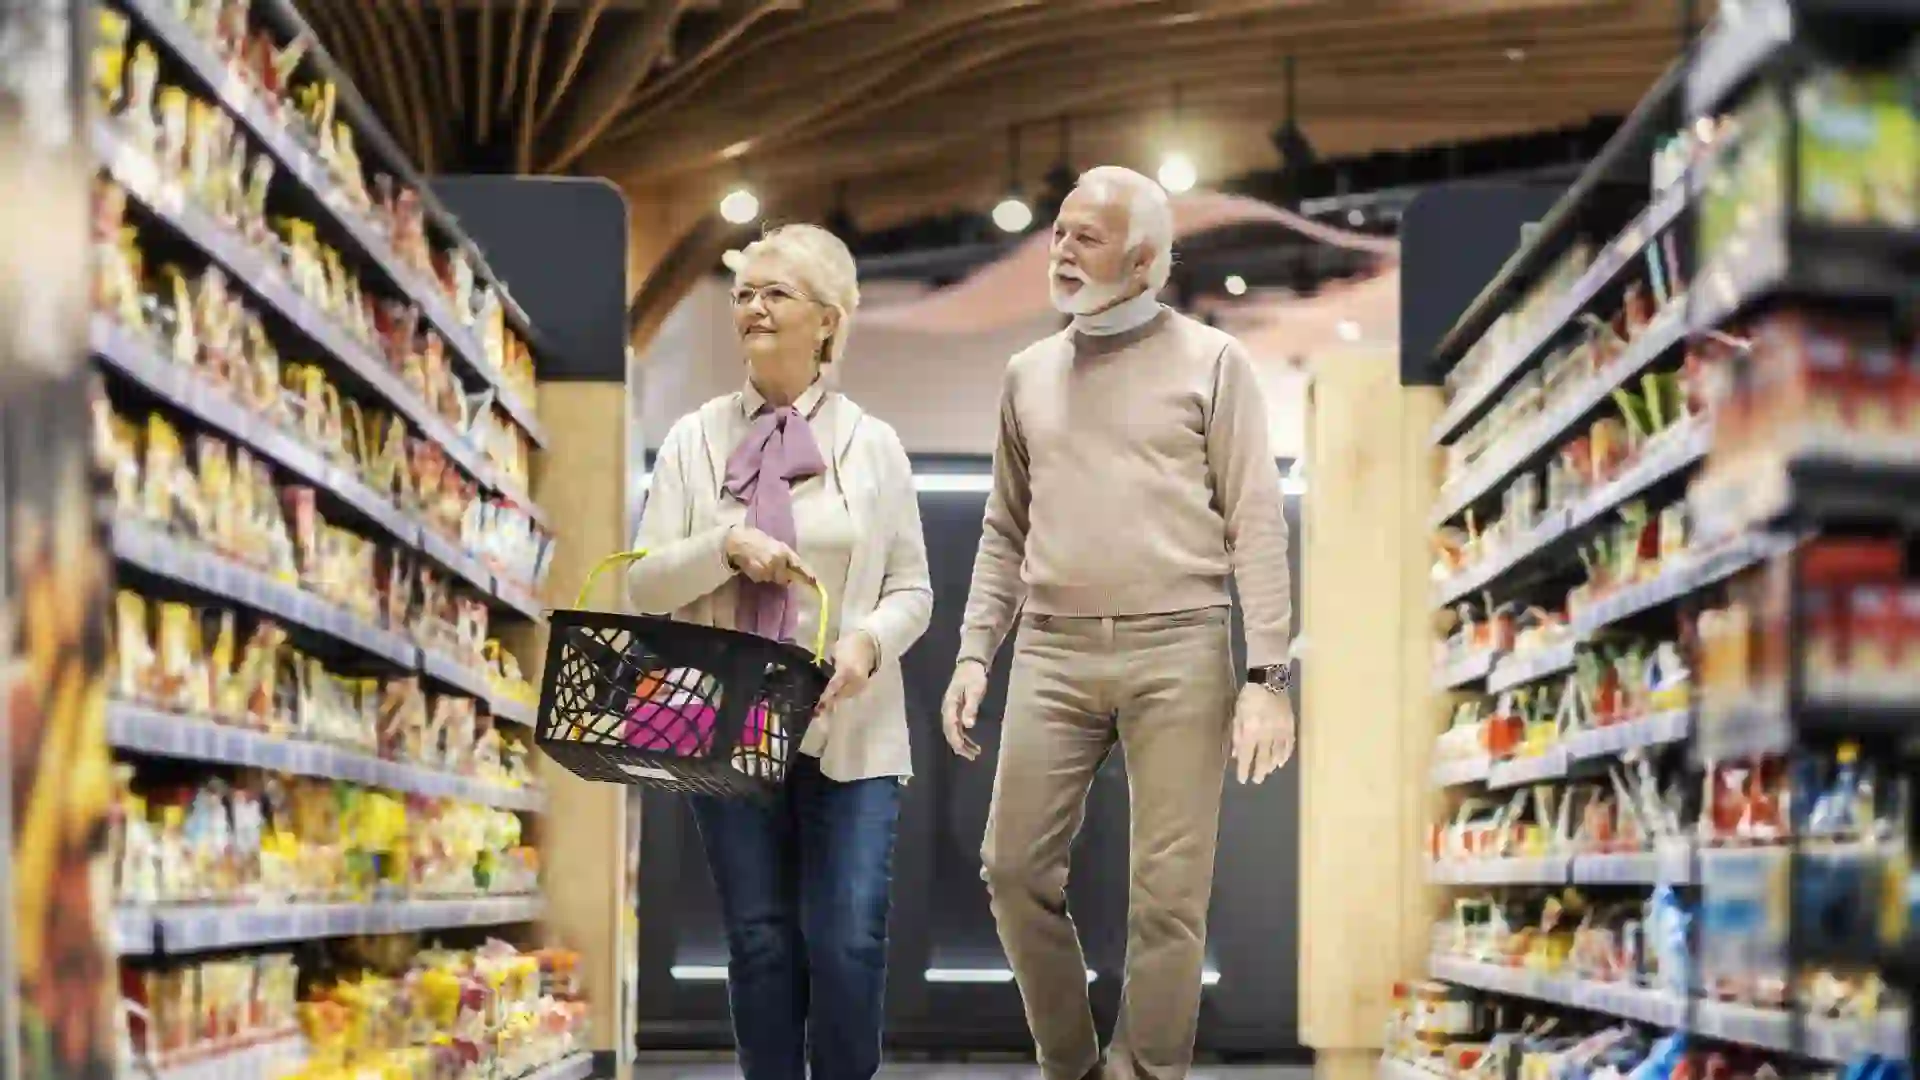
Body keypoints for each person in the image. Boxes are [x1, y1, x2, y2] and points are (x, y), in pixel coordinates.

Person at [940, 166, 1297, 1080]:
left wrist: (1268, 681)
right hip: (1052, 651)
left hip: (1181, 644)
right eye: (1058, 232)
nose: (1060, 251)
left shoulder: (1215, 363)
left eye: (1084, 238)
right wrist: (977, 650)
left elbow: (1255, 520)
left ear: (1142, 262)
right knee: (1012, 871)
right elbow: (1003, 528)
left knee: (1167, 901)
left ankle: (1148, 1071)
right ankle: (1074, 1065)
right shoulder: (1027, 374)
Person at [626, 223, 933, 1080]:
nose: (752, 309)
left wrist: (867, 643)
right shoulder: (695, 439)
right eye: (743, 294)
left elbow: (914, 588)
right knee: (759, 943)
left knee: (845, 941)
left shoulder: (871, 446)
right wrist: (726, 544)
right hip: (726, 728)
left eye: (775, 294)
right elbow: (644, 584)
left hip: (853, 733)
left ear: (828, 322)